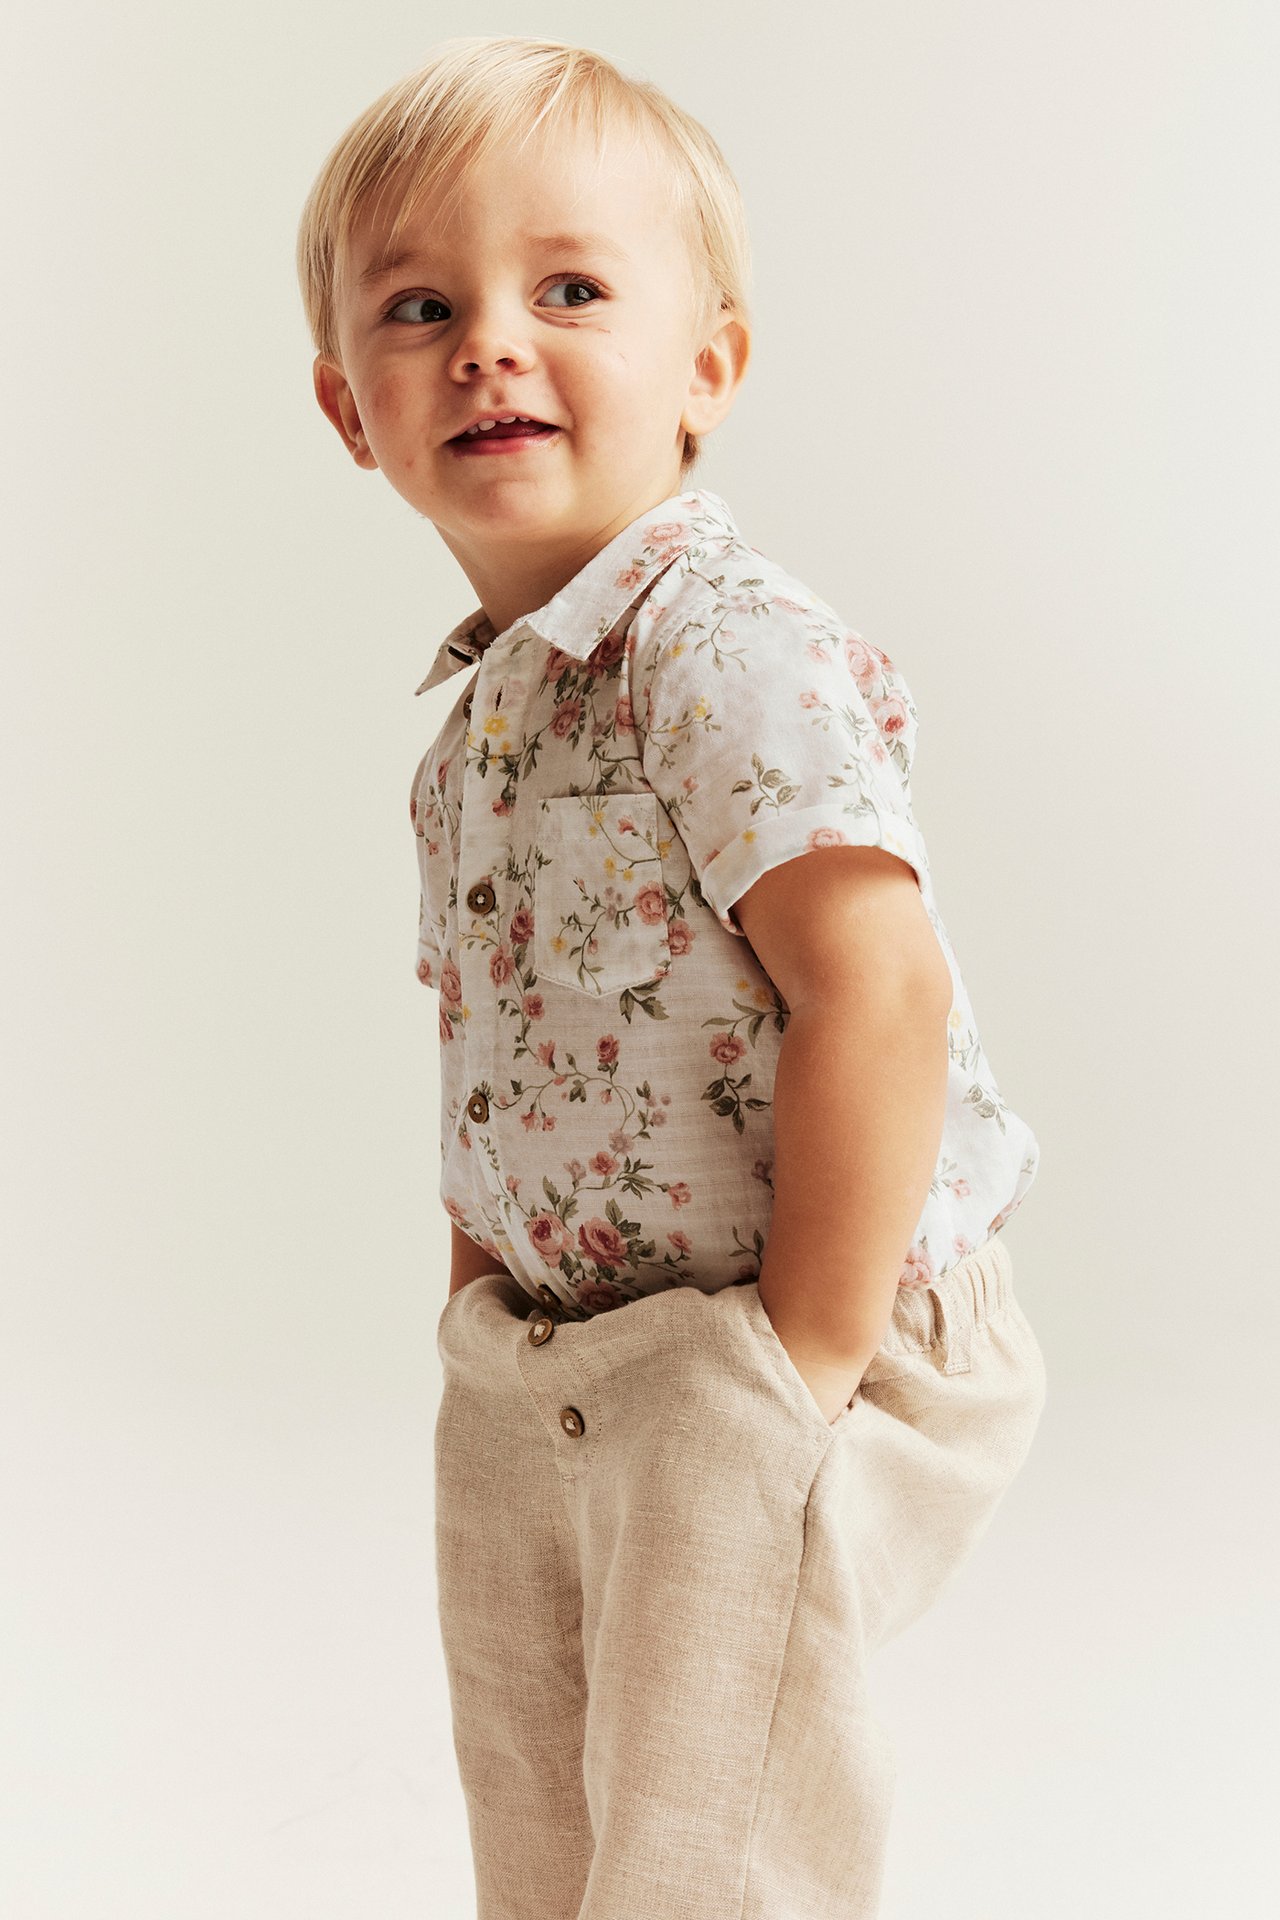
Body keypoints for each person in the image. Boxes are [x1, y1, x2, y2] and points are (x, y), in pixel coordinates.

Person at [297, 33, 1047, 1920]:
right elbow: (490, 1049)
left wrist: (791, 1363)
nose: (487, 340)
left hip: (778, 1332)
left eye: (567, 289)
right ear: (347, 408)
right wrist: (484, 1315)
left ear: (705, 365)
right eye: (419, 304)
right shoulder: (474, 736)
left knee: (715, 1841)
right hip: (560, 1353)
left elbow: (880, 991)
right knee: (543, 1816)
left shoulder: (724, 655)